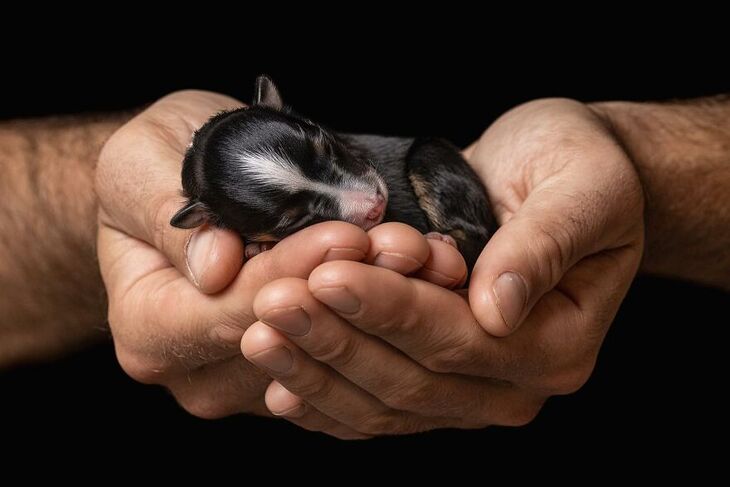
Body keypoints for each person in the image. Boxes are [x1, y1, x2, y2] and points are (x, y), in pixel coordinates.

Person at [1, 91, 728, 438]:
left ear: (279, 105)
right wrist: (102, 211)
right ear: (212, 227)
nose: (363, 198)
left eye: (327, 152)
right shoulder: (219, 233)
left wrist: (639, 167)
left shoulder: (399, 175)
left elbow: (402, 182)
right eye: (299, 215)